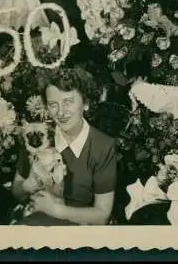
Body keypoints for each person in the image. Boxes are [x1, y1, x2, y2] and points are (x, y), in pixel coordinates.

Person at [11, 67, 118, 225]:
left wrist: (56, 210)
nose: (61, 112)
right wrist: (26, 186)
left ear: (86, 103)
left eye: (68, 101)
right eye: (53, 104)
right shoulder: (38, 137)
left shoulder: (103, 146)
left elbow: (102, 215)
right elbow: (17, 191)